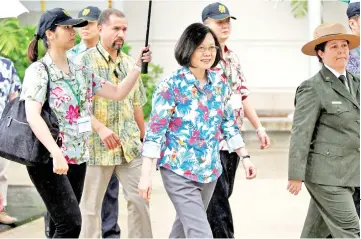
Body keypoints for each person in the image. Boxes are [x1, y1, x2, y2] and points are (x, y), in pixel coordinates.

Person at [21, 8, 148, 238]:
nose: (74, 32)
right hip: (49, 159)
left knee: (70, 223)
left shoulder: (79, 70)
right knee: (68, 222)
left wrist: (137, 66)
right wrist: (55, 152)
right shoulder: (38, 71)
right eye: (67, 28)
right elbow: (33, 115)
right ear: (50, 34)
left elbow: (118, 92)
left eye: (73, 27)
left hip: (78, 157)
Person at [138, 22, 257, 238]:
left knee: (183, 230)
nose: (208, 53)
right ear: (188, 48)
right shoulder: (170, 86)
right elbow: (154, 134)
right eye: (201, 48)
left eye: (212, 48)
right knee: (201, 233)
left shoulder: (219, 84)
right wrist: (145, 175)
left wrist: (245, 156)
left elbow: (228, 124)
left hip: (209, 171)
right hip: (178, 171)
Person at [75, 8, 152, 238]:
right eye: (116, 28)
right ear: (100, 29)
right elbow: (76, 108)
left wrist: (144, 137)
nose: (121, 34)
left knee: (140, 202)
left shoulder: (130, 63)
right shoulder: (83, 62)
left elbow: (137, 104)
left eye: (124, 29)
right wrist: (99, 128)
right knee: (90, 208)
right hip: (97, 147)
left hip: (129, 146)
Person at [201, 2, 271, 238]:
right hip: (209, 142)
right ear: (205, 25)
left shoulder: (233, 58)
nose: (225, 25)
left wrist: (259, 127)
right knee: (217, 205)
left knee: (220, 198)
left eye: (227, 21)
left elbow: (242, 96)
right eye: (219, 21)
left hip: (232, 142)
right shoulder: (200, 59)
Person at [287, 23, 360, 238]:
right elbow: (301, 133)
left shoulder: (356, 83)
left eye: (344, 46)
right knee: (350, 229)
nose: (341, 51)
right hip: (325, 175)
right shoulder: (313, 87)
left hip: (348, 172)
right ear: (320, 53)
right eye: (334, 47)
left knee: (315, 233)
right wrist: (295, 175)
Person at [67, 6, 121, 239]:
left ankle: (110, 234)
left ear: (100, 27)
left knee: (109, 192)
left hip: (110, 132)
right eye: (80, 24)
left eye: (89, 23)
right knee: (81, 191)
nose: (84, 28)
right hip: (82, 134)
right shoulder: (71, 56)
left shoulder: (115, 56)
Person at [0, 56, 21, 224]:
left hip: (2, 128)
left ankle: (0, 210)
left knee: (1, 173)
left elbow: (14, 97)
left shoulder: (7, 65)